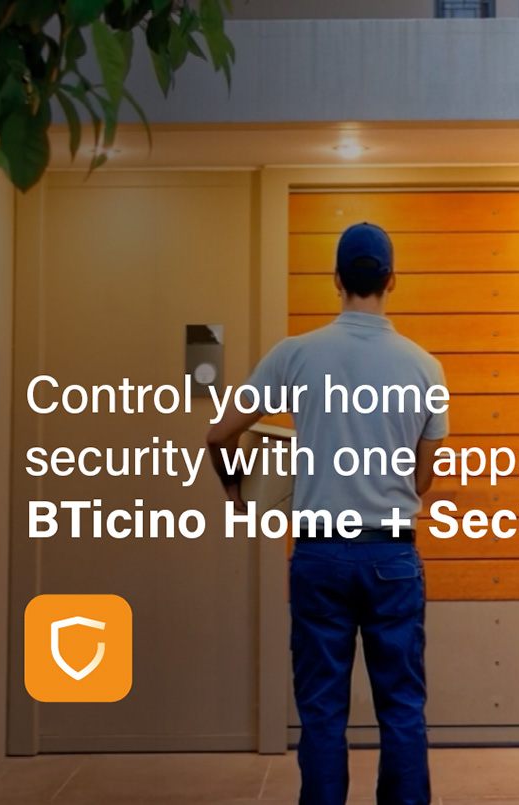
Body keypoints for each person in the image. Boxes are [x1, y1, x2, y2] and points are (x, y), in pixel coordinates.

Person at [206, 222, 447, 805]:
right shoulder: (424, 367)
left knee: (320, 714)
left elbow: (218, 436)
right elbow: (424, 475)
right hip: (392, 554)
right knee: (403, 712)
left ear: (336, 280)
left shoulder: (296, 355)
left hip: (317, 554)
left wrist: (239, 491)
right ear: (392, 280)